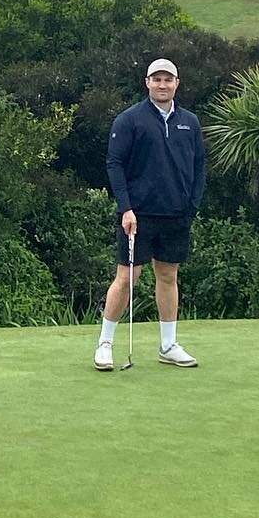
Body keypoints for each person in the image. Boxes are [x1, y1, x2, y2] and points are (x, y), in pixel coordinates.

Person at [95, 57, 206, 371]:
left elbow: (199, 166)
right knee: (128, 277)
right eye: (156, 79)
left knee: (168, 276)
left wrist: (191, 205)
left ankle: (168, 344)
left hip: (176, 214)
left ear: (176, 83)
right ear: (147, 83)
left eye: (167, 80)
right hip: (138, 215)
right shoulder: (130, 120)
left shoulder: (190, 122)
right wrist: (125, 207)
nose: (162, 85)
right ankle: (105, 343)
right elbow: (114, 164)